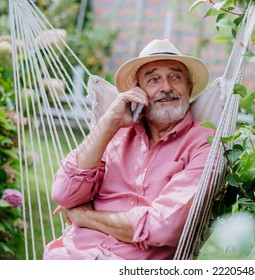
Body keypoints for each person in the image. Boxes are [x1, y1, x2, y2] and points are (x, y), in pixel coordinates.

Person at [43, 39, 214, 260]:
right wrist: (109, 123)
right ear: (138, 91)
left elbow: (162, 226)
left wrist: (84, 217)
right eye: (153, 79)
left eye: (176, 77)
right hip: (69, 257)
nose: (166, 87)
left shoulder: (203, 144)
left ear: (189, 89)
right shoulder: (115, 136)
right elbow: (64, 193)